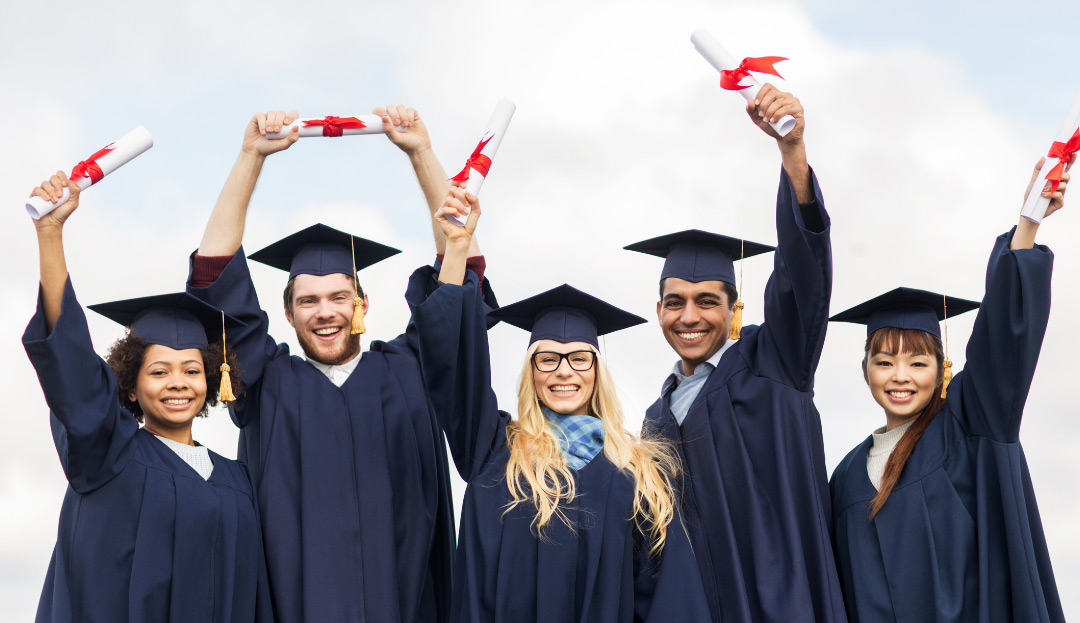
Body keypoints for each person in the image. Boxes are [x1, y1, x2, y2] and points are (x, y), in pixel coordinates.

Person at [186, 106, 489, 622]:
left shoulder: (411, 371)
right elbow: (216, 273)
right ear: (287, 312)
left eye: (338, 297)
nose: (325, 311)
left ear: (362, 305)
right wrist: (250, 158)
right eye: (307, 301)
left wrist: (421, 154)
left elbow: (458, 282)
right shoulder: (266, 383)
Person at [401, 185, 710, 622]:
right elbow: (450, 362)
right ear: (531, 372)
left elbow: (669, 600)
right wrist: (456, 249)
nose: (564, 371)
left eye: (579, 359)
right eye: (547, 359)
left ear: (597, 370)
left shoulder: (639, 476)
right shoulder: (492, 451)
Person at [625, 85, 846, 622]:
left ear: (734, 308)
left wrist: (791, 152)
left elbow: (802, 276)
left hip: (785, 607)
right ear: (658, 311)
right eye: (674, 303)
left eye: (707, 301)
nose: (689, 317)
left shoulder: (774, 364)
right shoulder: (653, 422)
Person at [828, 159, 1069, 622]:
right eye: (885, 362)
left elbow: (1003, 339)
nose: (901, 376)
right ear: (865, 372)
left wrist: (1028, 224)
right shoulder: (844, 478)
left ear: (943, 370)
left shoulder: (968, 423)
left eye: (918, 363)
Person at [23, 172, 271, 622]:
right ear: (130, 384)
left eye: (192, 370)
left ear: (213, 378)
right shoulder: (108, 453)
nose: (178, 382)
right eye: (158, 371)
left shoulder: (240, 480)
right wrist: (50, 234)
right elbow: (73, 368)